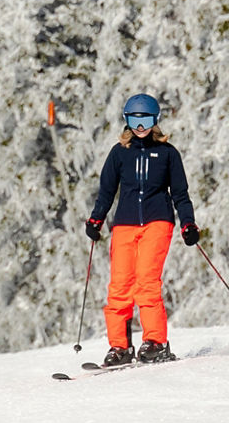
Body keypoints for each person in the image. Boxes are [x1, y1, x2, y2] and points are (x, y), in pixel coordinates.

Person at [83, 94, 200, 367]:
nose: (140, 127)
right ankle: (120, 348)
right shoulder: (119, 153)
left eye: (145, 120)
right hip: (124, 224)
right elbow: (107, 191)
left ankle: (155, 342)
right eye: (134, 120)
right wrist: (96, 220)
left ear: (155, 120)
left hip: (158, 221)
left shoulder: (168, 154)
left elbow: (180, 194)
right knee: (120, 287)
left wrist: (188, 223)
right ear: (126, 121)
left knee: (147, 283)